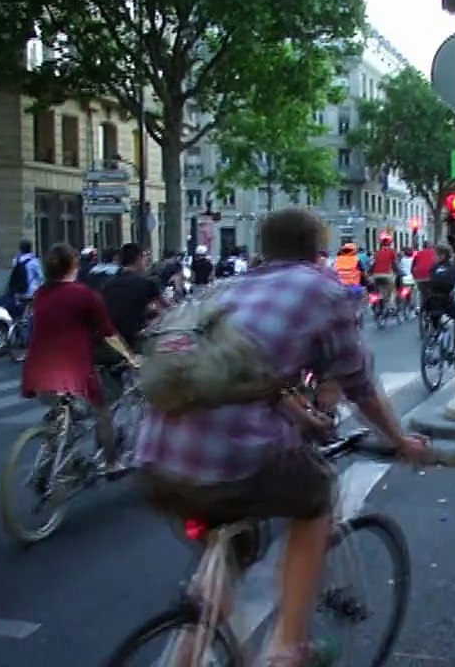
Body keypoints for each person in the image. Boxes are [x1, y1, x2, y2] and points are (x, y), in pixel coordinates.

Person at [133, 207, 430, 667]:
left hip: (154, 454)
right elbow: (361, 387)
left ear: (263, 249)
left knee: (230, 545)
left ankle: (189, 644)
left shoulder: (225, 290)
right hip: (232, 458)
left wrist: (302, 415)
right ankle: (289, 648)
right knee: (313, 499)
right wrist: (401, 439)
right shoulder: (325, 290)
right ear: (318, 251)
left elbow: (238, 373)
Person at [22, 243, 139, 474]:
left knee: (63, 413)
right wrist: (130, 357)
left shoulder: (41, 294)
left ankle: (57, 457)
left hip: (36, 370)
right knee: (102, 410)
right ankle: (112, 462)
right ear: (74, 265)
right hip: (72, 372)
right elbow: (108, 333)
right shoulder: (85, 295)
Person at [102, 243, 172, 355]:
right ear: (139, 259)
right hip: (132, 342)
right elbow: (168, 308)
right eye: (145, 258)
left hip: (108, 341)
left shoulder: (108, 283)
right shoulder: (146, 283)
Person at [421, 244, 455, 349]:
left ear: (442, 256)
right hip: (446, 301)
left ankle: (434, 337)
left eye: (435, 255)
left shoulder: (433, 268)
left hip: (431, 301)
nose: (434, 257)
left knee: (435, 318)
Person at [8, 240, 44, 317]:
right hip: (31, 292)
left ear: (20, 249)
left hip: (18, 291)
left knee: (20, 311)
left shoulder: (16, 261)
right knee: (31, 311)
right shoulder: (34, 261)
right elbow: (41, 277)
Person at [369, 236, 399, 308]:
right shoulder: (392, 252)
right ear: (390, 244)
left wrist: (370, 272)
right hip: (387, 275)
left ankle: (376, 301)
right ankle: (390, 304)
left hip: (376, 275)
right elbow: (394, 264)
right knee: (392, 288)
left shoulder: (377, 252)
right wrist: (397, 271)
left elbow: (374, 264)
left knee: (377, 289)